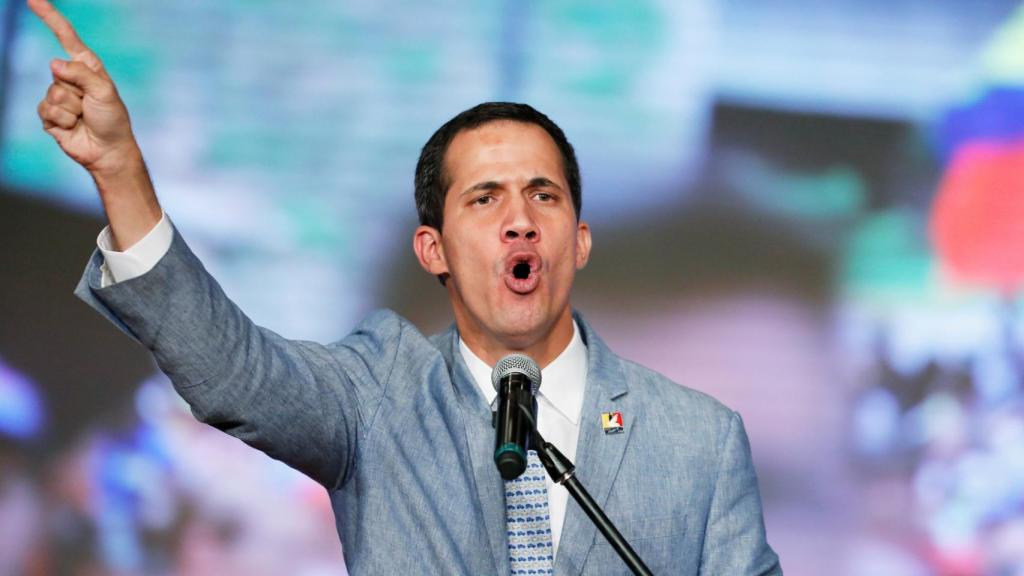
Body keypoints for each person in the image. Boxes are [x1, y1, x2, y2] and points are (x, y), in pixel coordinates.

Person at [30, 0, 782, 573]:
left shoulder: (701, 438)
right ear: (433, 250)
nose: (518, 225)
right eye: (484, 200)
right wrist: (121, 174)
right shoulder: (372, 405)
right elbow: (223, 365)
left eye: (542, 196)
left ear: (579, 241)